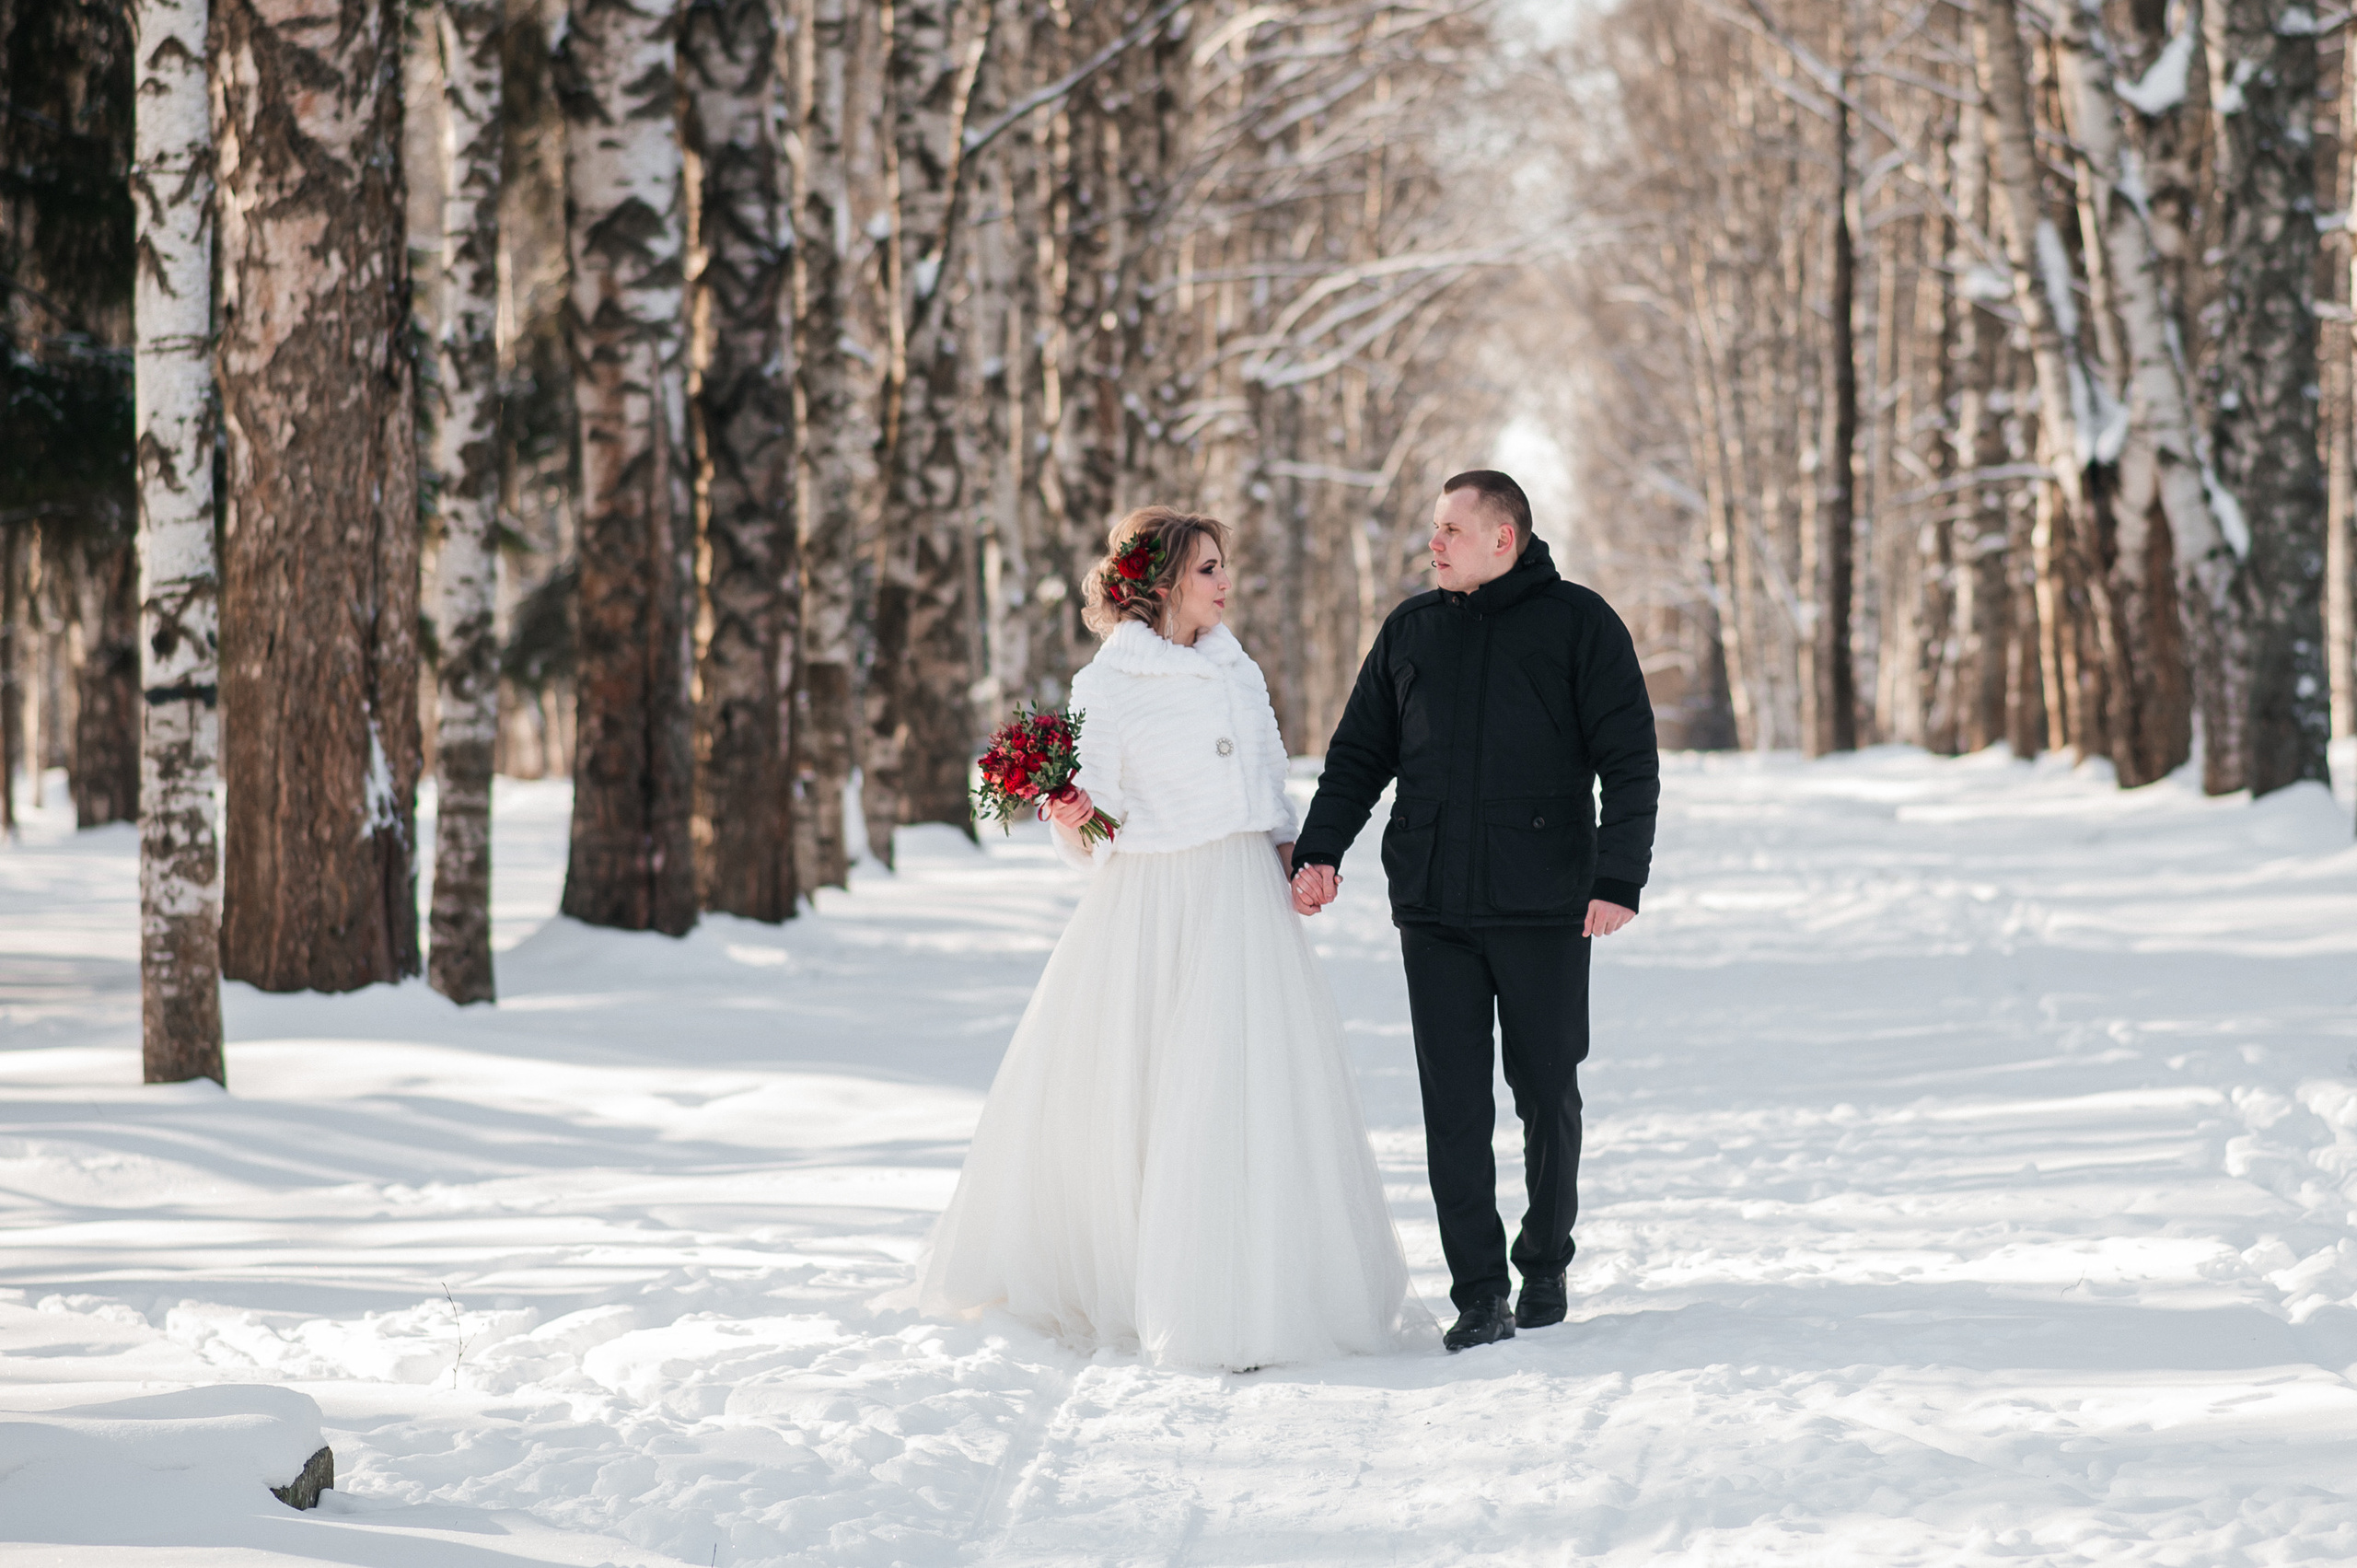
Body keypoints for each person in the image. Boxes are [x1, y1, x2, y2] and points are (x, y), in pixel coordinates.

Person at [917, 505, 1428, 1372]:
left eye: (1224, 564)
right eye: (1206, 569)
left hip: (1243, 903)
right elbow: (1093, 830)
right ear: (1157, 585)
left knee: (1250, 1088)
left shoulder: (1242, 672)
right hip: (1155, 904)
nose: (1225, 581)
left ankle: (1265, 1285)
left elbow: (1270, 789)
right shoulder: (1108, 685)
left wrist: (1298, 861)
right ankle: (1151, 1284)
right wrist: (1073, 814)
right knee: (1154, 1091)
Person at [1290, 470, 1659, 1353]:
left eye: (1451, 527)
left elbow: (1632, 761)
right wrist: (1320, 849)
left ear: (1505, 537)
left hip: (1546, 906)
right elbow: (1358, 754)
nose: (1435, 542)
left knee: (1546, 1094)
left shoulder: (1581, 625)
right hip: (1434, 908)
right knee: (1453, 1105)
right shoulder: (1411, 630)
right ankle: (1480, 1291)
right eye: (1434, 527)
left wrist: (1618, 879)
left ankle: (1544, 1261)